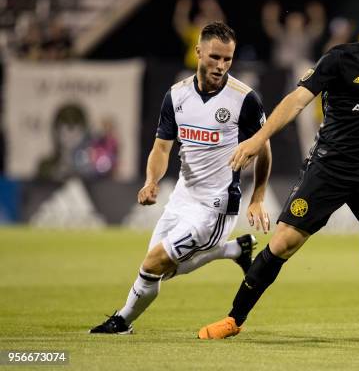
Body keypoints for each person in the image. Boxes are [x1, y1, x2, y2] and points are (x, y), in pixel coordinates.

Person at [198, 0, 359, 343]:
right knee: (283, 243)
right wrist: (257, 140)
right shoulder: (340, 61)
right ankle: (234, 319)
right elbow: (296, 102)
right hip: (329, 169)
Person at [90, 22, 272, 334]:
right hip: (182, 196)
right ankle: (233, 250)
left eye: (228, 59)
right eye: (215, 57)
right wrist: (151, 181)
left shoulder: (244, 99)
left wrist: (257, 199)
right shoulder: (176, 96)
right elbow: (161, 148)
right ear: (198, 52)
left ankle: (122, 321)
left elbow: (264, 149)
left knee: (153, 264)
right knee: (161, 270)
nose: (221, 66)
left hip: (215, 205)